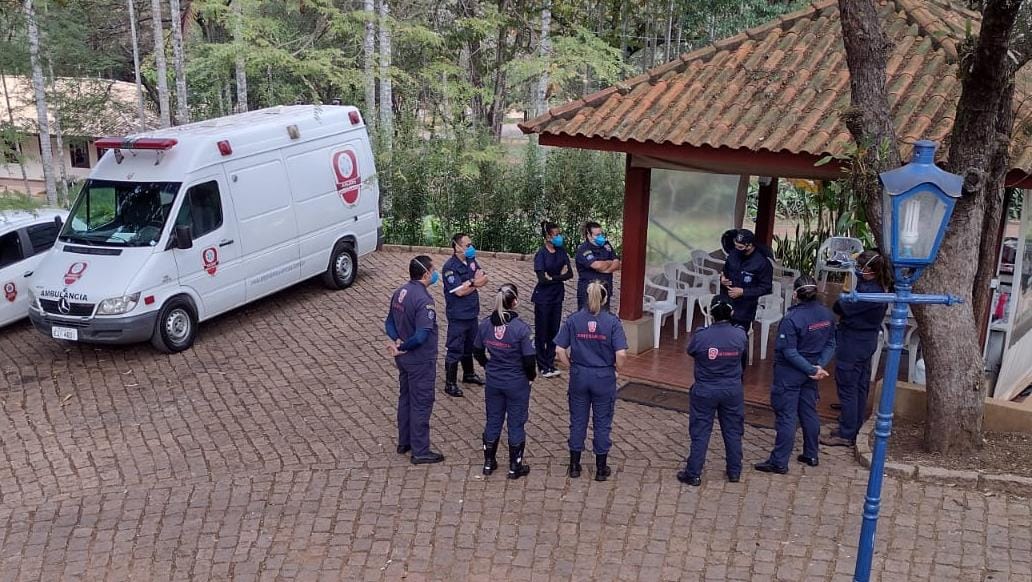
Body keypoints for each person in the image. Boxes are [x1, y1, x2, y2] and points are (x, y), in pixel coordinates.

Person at [755, 275, 836, 474]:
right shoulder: (827, 314)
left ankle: (779, 461)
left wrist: (811, 369)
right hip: (811, 372)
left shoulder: (791, 319)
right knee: (809, 412)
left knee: (786, 416)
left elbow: (789, 351)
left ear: (795, 295)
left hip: (790, 373)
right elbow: (832, 343)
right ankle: (811, 453)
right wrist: (817, 366)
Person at [555, 280, 628, 481]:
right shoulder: (612, 322)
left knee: (578, 420)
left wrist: (571, 366)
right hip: (603, 376)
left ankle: (575, 465)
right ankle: (601, 468)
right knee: (603, 422)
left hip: (580, 374)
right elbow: (621, 354)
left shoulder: (574, 319)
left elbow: (560, 350)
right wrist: (616, 370)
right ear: (605, 299)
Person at [821, 251, 892, 447]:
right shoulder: (878, 287)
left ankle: (846, 432)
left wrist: (844, 293)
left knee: (848, 387)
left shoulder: (867, 292)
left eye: (859, 266)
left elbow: (838, 307)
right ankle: (854, 424)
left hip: (854, 340)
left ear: (868, 270)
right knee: (859, 385)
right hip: (866, 340)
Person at [676, 296, 748, 486]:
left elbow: (691, 351)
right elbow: (743, 355)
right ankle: (734, 471)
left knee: (700, 432)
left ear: (710, 314)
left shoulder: (701, 336)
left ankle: (693, 473)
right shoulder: (740, 335)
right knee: (733, 431)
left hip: (705, 389)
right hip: (732, 389)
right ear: (732, 313)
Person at [384, 256, 445, 465]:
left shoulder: (399, 293)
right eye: (433, 270)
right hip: (420, 360)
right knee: (421, 403)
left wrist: (397, 340)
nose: (435, 273)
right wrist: (402, 346)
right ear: (426, 273)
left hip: (404, 360)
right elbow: (421, 336)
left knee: (406, 398)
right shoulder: (424, 300)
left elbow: (389, 322)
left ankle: (404, 441)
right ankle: (420, 450)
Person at [473, 284, 536, 479]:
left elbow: (476, 350)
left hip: (494, 380)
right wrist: (531, 377)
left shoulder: (485, 325)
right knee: (516, 423)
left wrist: (487, 366)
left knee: (493, 420)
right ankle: (514, 467)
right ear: (514, 302)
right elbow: (528, 359)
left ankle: (488, 463)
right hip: (516, 381)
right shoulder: (521, 329)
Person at [442, 233, 489, 397]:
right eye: (467, 245)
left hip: (472, 313)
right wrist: (474, 283)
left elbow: (484, 278)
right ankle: (450, 383)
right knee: (455, 348)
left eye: (471, 244)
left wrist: (471, 283)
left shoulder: (471, 261)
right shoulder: (450, 268)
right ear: (457, 247)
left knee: (471, 345)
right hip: (458, 315)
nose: (471, 248)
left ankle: (468, 374)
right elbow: (459, 292)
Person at [532, 221, 573, 378]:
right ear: (547, 236)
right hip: (543, 298)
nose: (558, 238)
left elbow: (569, 274)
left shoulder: (561, 251)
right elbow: (542, 279)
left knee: (554, 331)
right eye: (555, 235)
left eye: (558, 234)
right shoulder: (541, 254)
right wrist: (559, 276)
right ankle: (542, 364)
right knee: (541, 332)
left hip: (557, 296)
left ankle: (550, 361)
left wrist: (553, 277)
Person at [720, 229, 773, 331]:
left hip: (745, 309)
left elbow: (766, 288)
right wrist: (722, 278)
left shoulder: (762, 263)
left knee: (738, 338)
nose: (737, 249)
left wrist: (743, 292)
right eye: (735, 245)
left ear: (749, 246)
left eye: (740, 247)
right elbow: (725, 270)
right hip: (726, 304)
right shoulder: (733, 254)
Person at [574, 221, 620, 311]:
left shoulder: (606, 245)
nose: (600, 237)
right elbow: (597, 265)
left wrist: (606, 268)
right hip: (589, 293)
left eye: (601, 234)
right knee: (586, 321)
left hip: (605, 291)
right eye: (597, 235)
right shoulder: (584, 249)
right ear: (589, 235)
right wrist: (609, 262)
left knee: (604, 321)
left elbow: (617, 263)